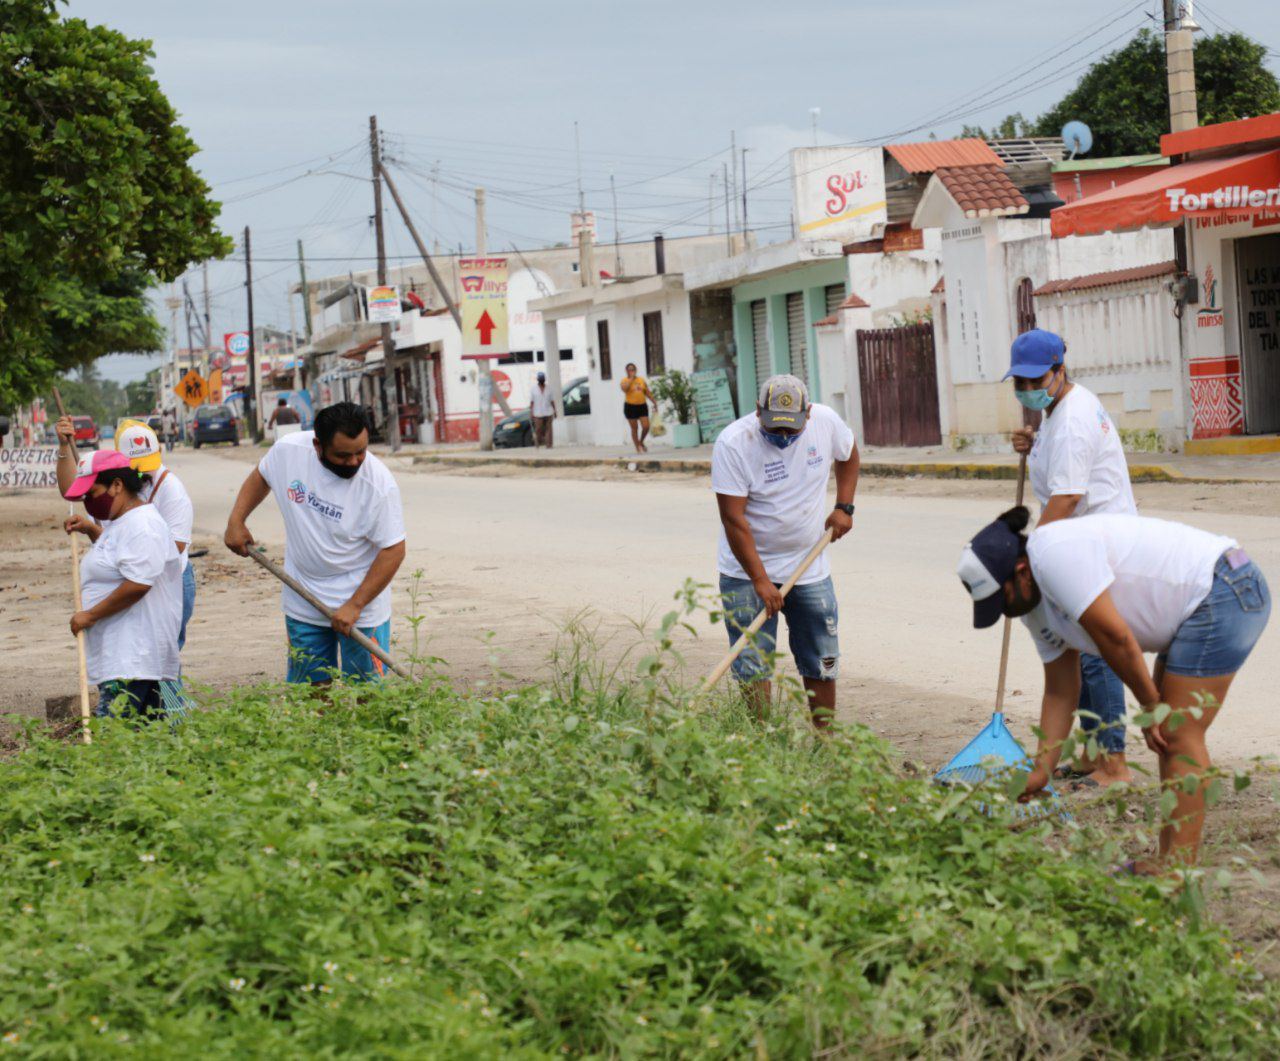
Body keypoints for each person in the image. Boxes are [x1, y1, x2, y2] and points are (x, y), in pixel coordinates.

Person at [958, 507, 1270, 870]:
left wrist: (1152, 706)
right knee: (1168, 736)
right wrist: (1042, 767)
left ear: (1021, 571)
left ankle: (1175, 875)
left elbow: (1116, 640)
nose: (1005, 612)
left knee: (1177, 734)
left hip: (1224, 587)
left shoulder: (1053, 554)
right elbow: (1061, 689)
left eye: (1003, 598)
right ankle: (1168, 863)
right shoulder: (1032, 607)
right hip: (1196, 605)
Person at [1007, 329, 1138, 789]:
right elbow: (1057, 461)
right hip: (1080, 541)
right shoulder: (1060, 409)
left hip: (1095, 544)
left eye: (1034, 380)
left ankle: (1113, 763)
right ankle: (1092, 751)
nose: (1027, 390)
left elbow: (1064, 498)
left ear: (1060, 369)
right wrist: (1032, 443)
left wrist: (1030, 558)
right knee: (1084, 649)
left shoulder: (1073, 418)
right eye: (1019, 383)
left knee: (1097, 650)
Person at [712, 374, 860, 728]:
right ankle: (762, 744)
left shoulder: (825, 422)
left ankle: (825, 744)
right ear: (757, 411)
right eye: (773, 428)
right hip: (745, 573)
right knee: (751, 661)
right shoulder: (734, 443)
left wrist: (845, 506)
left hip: (809, 568)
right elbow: (734, 520)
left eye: (790, 429)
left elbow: (849, 454)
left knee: (822, 658)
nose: (781, 437)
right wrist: (760, 579)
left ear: (807, 414)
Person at [223, 401, 406, 685]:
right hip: (304, 597)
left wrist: (355, 606)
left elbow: (393, 550)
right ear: (318, 446)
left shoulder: (378, 485)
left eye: (362, 452)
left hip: (362, 603)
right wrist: (237, 520)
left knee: (368, 693)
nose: (355, 462)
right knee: (311, 691)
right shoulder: (289, 452)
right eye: (344, 456)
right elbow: (262, 475)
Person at [61, 450, 183, 721]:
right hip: (125, 656)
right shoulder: (123, 521)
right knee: (149, 739)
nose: (88, 502)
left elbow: (138, 584)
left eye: (91, 493)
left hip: (133, 656)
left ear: (117, 485)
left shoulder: (143, 524)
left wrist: (89, 616)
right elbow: (120, 557)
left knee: (114, 739)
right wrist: (92, 531)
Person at [56, 417, 197, 651]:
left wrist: (92, 614)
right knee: (133, 653)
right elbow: (71, 489)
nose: (141, 472)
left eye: (146, 462)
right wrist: (93, 529)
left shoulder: (170, 489)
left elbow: (165, 555)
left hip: (163, 582)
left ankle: (165, 689)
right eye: (135, 464)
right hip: (127, 580)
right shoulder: (108, 491)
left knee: (161, 655)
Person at [619, 362, 657, 453]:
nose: (632, 371)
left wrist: (654, 402)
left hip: (642, 406)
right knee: (634, 428)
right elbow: (625, 389)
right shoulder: (624, 381)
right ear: (627, 371)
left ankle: (641, 441)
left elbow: (647, 392)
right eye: (630, 369)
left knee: (646, 426)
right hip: (630, 406)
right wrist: (631, 378)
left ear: (636, 370)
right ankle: (638, 447)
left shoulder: (641, 380)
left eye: (633, 369)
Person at [529, 371, 556, 448]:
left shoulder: (549, 389)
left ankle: (549, 445)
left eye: (543, 378)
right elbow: (532, 402)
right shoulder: (533, 389)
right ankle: (537, 444)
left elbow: (552, 401)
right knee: (538, 429)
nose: (542, 380)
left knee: (549, 430)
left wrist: (555, 411)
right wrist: (531, 413)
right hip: (538, 413)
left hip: (548, 412)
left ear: (544, 379)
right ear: (538, 379)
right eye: (540, 379)